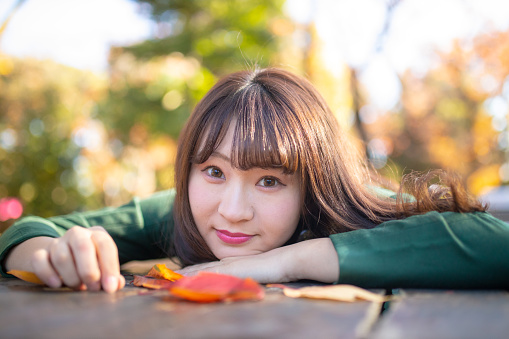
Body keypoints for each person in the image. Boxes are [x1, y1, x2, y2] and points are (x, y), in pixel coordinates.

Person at [1, 68, 508, 293]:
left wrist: (281, 261)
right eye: (214, 171)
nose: (233, 210)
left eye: (269, 181)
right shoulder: (180, 211)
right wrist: (50, 254)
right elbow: (30, 231)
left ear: (312, 184)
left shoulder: (343, 207)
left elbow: (493, 243)